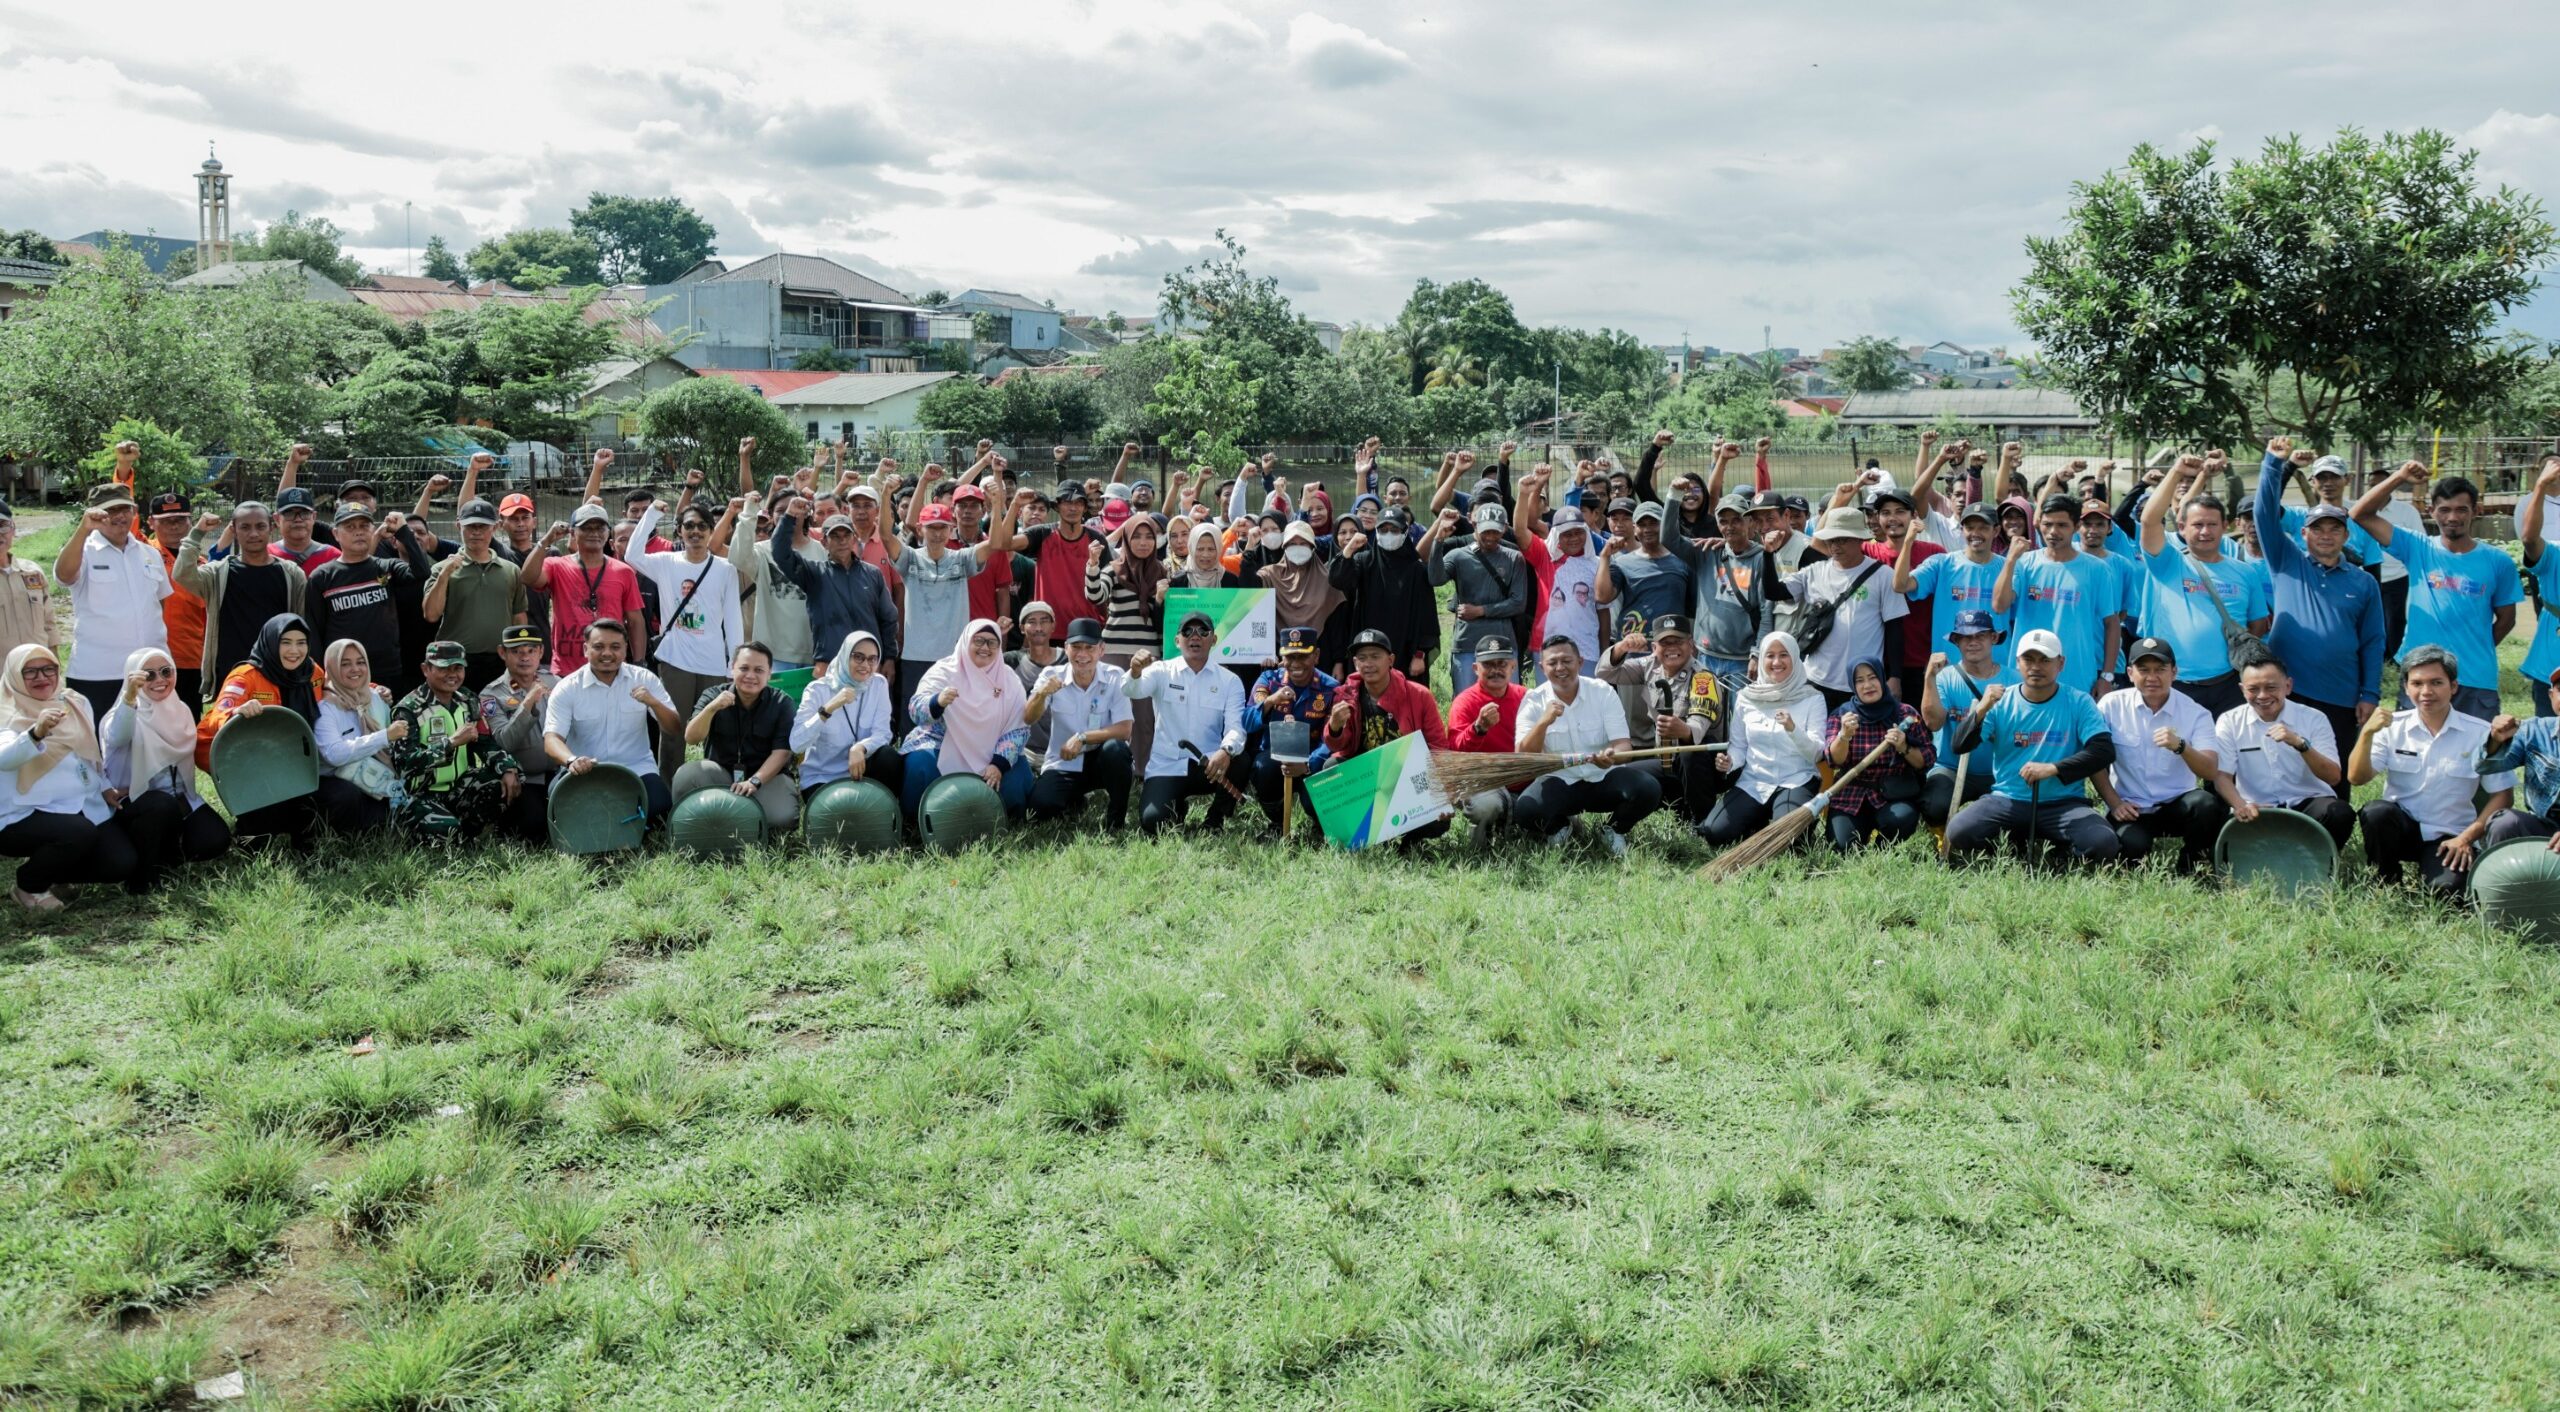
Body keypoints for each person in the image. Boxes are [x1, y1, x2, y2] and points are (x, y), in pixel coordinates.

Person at [2351, 461, 2519, 722]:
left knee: (2475, 757)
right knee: (2413, 754)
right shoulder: (2417, 547)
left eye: (2462, 509)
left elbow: (2507, 619)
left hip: (2475, 677)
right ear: (2431, 511)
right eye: (2445, 510)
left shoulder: (2499, 561)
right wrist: (2400, 476)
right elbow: (2360, 513)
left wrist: (2474, 646)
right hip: (2420, 677)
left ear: (2476, 510)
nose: (2453, 517)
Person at [2346, 645, 2512, 898]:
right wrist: (2367, 733)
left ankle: (2438, 872)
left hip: (2449, 836)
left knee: (2447, 893)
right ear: (2406, 687)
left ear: (2453, 687)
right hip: (2402, 828)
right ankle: (2385, 879)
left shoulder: (2480, 733)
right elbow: (2356, 778)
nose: (2426, 692)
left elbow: (2503, 797)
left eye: (2436, 682)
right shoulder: (2391, 727)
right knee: (2376, 812)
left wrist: (2466, 839)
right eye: (2417, 683)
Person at [1943, 629, 2120, 866]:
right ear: (2017, 663)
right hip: (2008, 799)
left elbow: (2103, 752)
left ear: (2061, 663)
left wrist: (2053, 768)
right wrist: (1981, 709)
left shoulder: (2079, 701)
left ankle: (2060, 856)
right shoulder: (2000, 703)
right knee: (1959, 831)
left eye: (2045, 660)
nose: (2036, 667)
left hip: (2064, 803)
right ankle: (2010, 848)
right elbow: (1960, 745)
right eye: (2028, 659)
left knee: (2103, 842)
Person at [2253, 439, 2384, 748]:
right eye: (2318, 529)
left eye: (2334, 529)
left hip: (2340, 694)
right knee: (2282, 773)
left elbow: (2373, 642)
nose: (2326, 535)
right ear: (2303, 533)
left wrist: (2369, 693)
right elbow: (2263, 514)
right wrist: (2274, 463)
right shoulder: (2286, 561)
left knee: (2333, 776)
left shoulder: (2363, 583)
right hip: (2287, 692)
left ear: (2346, 535)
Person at [196, 613, 372, 843]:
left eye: (301, 643)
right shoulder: (245, 676)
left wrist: (375, 689)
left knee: (344, 795)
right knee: (258, 836)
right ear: (270, 641)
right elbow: (218, 713)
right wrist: (235, 712)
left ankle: (312, 833)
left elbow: (337, 687)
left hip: (296, 767)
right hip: (250, 768)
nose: (294, 651)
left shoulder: (311, 672)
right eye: (285, 642)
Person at [0, 644, 136, 910]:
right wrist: (35, 733)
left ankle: (56, 873)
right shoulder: (6, 710)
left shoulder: (74, 701)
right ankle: (29, 885)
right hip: (23, 812)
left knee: (120, 864)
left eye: (48, 669)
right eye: (30, 672)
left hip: (79, 802)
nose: (42, 677)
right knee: (77, 832)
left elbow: (87, 750)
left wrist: (104, 785)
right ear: (15, 675)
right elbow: (5, 758)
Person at [2137, 455, 2271, 716]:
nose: (2205, 531)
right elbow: (2149, 521)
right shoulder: (2167, 563)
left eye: (2212, 524)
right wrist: (2176, 472)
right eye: (2197, 525)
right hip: (2175, 684)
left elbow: (2256, 625)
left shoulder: (2245, 572)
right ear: (2183, 528)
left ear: (2226, 526)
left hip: (2230, 683)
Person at [623, 495, 745, 779]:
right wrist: (652, 514)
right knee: (673, 730)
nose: (696, 532)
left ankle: (720, 784)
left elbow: (734, 620)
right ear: (679, 531)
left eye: (703, 526)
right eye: (689, 526)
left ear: (711, 531)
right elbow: (632, 555)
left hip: (714, 664)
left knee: (719, 730)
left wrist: (735, 665)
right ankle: (669, 790)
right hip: (676, 662)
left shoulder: (725, 569)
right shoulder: (666, 562)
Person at [1509, 635, 1656, 855]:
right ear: (1542, 667)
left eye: (1567, 661)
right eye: (1552, 663)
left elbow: (1624, 748)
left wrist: (1611, 757)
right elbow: (1524, 757)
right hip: (1561, 780)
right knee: (1526, 810)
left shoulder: (1602, 691)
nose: (1560, 668)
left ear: (1580, 661)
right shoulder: (1534, 700)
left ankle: (1614, 829)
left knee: (1648, 789)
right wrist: (1543, 722)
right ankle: (1561, 827)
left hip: (1603, 777)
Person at [100, 645, 230, 890]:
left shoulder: (180, 710)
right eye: (148, 675)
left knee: (214, 840)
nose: (159, 680)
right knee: (160, 805)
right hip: (132, 803)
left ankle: (167, 855)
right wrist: (129, 697)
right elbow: (118, 736)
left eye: (166, 672)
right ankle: (143, 876)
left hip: (178, 799)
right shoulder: (122, 714)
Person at [2091, 636, 2226, 870]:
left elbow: (2210, 770)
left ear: (2174, 672)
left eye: (2160, 669)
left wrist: (2181, 747)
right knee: (2130, 852)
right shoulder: (2110, 706)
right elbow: (2094, 760)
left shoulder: (2196, 713)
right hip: (2130, 808)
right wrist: (2114, 803)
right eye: (2144, 670)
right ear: (2130, 673)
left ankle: (2192, 863)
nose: (2152, 677)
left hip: (2177, 805)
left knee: (2206, 805)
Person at [56, 478, 173, 722]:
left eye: (124, 509)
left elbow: (158, 605)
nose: (118, 516)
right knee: (97, 749)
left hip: (149, 673)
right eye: (109, 510)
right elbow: (64, 575)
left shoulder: (149, 553)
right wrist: (83, 529)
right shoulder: (84, 550)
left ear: (133, 511)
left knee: (147, 746)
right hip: (99, 673)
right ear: (95, 515)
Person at [544, 618, 681, 826]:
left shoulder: (644, 679)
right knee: (559, 803)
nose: (607, 653)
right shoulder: (567, 687)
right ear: (585, 649)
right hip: (585, 771)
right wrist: (571, 760)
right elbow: (551, 739)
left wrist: (653, 703)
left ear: (625, 649)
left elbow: (674, 728)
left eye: (615, 647)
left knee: (660, 806)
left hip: (636, 768)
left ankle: (617, 821)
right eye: (598, 647)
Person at [2210, 654, 2356, 849]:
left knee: (2340, 813)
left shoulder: (2314, 718)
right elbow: (2222, 776)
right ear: (2242, 690)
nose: (2262, 696)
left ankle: (2319, 863)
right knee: (2216, 831)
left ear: (2288, 686)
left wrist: (2300, 744)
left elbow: (2333, 777)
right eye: (2253, 689)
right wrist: (2240, 805)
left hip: (2308, 802)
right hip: (2257, 807)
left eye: (2271, 687)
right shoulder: (2229, 721)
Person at [898, 618, 1034, 823]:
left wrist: (999, 764)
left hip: (993, 747)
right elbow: (915, 710)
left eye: (992, 642)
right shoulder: (944, 671)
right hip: (943, 741)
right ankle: (916, 823)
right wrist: (938, 702)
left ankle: (1001, 823)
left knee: (1017, 775)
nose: (985, 648)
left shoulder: (1009, 679)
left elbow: (1018, 729)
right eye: (978, 641)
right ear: (965, 641)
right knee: (921, 764)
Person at [1596, 614, 1726, 825]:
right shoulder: (1649, 666)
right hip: (1667, 759)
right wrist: (1622, 647)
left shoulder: (1703, 678)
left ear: (1691, 645)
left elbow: (1697, 730)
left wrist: (1681, 729)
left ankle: (1701, 820)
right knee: (1622, 776)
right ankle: (1669, 809)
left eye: (1678, 642)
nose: (1672, 648)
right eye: (1665, 643)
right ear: (1654, 647)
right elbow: (1604, 674)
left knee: (1689, 754)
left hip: (1706, 765)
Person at [1770, 507, 1906, 710]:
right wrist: (1767, 554)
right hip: (1816, 679)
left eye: (1842, 539)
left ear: (1860, 540)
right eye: (1831, 540)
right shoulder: (1815, 571)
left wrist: (1895, 677)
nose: (1835, 546)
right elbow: (1774, 592)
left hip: (1863, 682)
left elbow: (1895, 629)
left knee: (1860, 741)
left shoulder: (1883, 575)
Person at [1126, 610, 1248, 836]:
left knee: (1240, 758)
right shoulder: (1161, 671)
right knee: (1154, 823)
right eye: (1187, 631)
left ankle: (1215, 819)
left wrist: (1225, 751)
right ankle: (1177, 807)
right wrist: (1134, 672)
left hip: (1209, 766)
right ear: (1177, 640)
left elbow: (1235, 728)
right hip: (1167, 765)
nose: (1195, 636)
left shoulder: (1230, 680)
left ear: (1214, 640)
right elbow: (1131, 689)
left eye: (1203, 631)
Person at [386, 640, 522, 838]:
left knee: (504, 781)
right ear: (426, 669)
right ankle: (454, 831)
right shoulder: (409, 709)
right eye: (443, 668)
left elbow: (484, 742)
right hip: (421, 794)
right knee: (448, 832)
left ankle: (471, 831)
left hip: (459, 786)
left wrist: (507, 768)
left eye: (458, 667)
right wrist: (450, 743)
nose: (452, 674)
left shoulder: (467, 699)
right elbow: (405, 764)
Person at [1699, 632, 1824, 847]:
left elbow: (1817, 753)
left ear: (1794, 657)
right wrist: (1729, 762)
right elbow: (1739, 746)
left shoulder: (1812, 698)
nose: (1776, 662)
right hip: (1755, 782)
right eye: (1770, 655)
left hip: (1796, 779)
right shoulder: (1747, 697)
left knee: (1789, 840)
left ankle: (1785, 822)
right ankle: (1757, 821)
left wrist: (1793, 729)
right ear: (1762, 659)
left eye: (1784, 655)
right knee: (1714, 832)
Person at [306, 500, 433, 702]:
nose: (358, 532)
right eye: (350, 527)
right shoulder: (321, 577)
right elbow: (315, 629)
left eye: (364, 526)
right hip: (343, 672)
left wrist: (402, 531)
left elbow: (421, 573)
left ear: (373, 530)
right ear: (336, 534)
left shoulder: (385, 567)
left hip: (386, 669)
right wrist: (321, 674)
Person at [176, 503, 306, 702]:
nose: (253, 533)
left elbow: (302, 621)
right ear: (233, 530)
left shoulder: (291, 573)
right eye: (245, 527)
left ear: (271, 527)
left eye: (260, 526)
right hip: (230, 673)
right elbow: (182, 574)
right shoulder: (218, 572)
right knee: (232, 731)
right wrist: (197, 533)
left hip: (279, 672)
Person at [1996, 495, 2120, 697]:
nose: (2053, 532)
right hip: (2025, 676)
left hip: (2077, 677)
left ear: (2076, 526)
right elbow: (2000, 606)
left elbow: (2112, 624)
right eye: (2047, 524)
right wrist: (2010, 561)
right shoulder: (2024, 563)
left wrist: (2107, 676)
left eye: (2062, 525)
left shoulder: (2097, 569)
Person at [672, 641, 799, 834]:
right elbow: (691, 737)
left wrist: (754, 782)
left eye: (758, 670)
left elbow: (781, 753)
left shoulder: (782, 703)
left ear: (769, 673)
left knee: (781, 819)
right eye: (744, 668)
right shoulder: (713, 695)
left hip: (766, 779)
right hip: (721, 775)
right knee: (686, 775)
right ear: (732, 668)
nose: (750, 676)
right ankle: (696, 825)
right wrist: (712, 708)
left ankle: (742, 824)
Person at [1023, 617, 1137, 830]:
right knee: (1039, 810)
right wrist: (1042, 694)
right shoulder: (1051, 675)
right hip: (1064, 761)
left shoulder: (1114, 676)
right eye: (1076, 647)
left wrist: (1082, 737)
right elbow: (1029, 717)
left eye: (1089, 648)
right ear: (1066, 648)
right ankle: (1075, 799)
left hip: (1101, 760)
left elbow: (1124, 729)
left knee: (1116, 750)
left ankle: (1116, 819)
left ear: (1101, 650)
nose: (1082, 654)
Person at [765, 506, 901, 674]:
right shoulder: (814, 574)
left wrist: (889, 658)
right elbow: (780, 553)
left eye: (846, 535)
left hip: (869, 665)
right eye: (835, 537)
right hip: (830, 666)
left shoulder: (873, 574)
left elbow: (888, 619)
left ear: (854, 538)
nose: (842, 541)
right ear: (824, 542)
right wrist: (789, 515)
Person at [1916, 609, 2019, 827]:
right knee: (1934, 807)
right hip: (1951, 767)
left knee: (2015, 817)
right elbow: (1933, 723)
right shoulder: (1945, 678)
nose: (1973, 642)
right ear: (1956, 642)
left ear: (1993, 638)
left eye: (1980, 636)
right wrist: (1929, 677)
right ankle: (1942, 839)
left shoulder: (2014, 680)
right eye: (1965, 637)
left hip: (1999, 771)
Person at [523, 505, 649, 678]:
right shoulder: (556, 565)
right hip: (567, 670)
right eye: (587, 528)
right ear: (573, 533)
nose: (594, 533)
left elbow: (635, 621)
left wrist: (639, 663)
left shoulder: (624, 572)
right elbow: (528, 578)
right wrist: (545, 541)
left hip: (610, 668)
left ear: (608, 533)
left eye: (600, 528)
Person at [1821, 658, 1933, 850]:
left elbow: (1927, 759)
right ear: (1853, 686)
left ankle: (1882, 850)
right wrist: (1844, 736)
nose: (1867, 685)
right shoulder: (1842, 716)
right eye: (1860, 681)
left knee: (1902, 819)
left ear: (1882, 679)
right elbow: (1833, 760)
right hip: (1851, 794)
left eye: (1872, 678)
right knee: (1840, 847)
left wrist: (1904, 747)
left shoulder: (1905, 714)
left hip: (1893, 793)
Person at [423, 498, 530, 693]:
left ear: (495, 527)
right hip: (455, 662)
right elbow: (431, 614)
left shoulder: (511, 570)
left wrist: (519, 657)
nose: (476, 532)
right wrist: (446, 574)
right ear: (458, 526)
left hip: (500, 660)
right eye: (470, 526)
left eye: (483, 526)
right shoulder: (441, 569)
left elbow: (519, 618)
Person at [1329, 508, 1441, 685]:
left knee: (1405, 704)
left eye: (1394, 530)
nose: (1388, 534)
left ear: (1405, 533)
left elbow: (1427, 617)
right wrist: (1350, 548)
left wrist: (1420, 655)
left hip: (1405, 651)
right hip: (1367, 650)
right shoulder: (1364, 562)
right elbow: (1337, 579)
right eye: (1383, 530)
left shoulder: (1417, 570)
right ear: (1375, 533)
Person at [1896, 501, 2005, 682]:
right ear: (1962, 530)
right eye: (1969, 527)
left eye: (1983, 528)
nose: (1975, 534)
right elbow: (1900, 585)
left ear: (1996, 531)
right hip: (1948, 671)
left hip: (1996, 671)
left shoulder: (2009, 568)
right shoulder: (1941, 563)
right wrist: (1908, 542)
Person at [1242, 625, 1335, 832]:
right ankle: (1277, 822)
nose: (1295, 664)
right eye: (1289, 657)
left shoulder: (1331, 688)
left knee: (1315, 798)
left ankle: (1320, 825)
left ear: (1316, 655)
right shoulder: (1269, 680)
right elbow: (1246, 722)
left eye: (1302, 657)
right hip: (1276, 758)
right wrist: (1270, 701)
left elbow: (1331, 739)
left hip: (1313, 760)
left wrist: (1308, 764)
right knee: (1261, 769)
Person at [1430, 503, 1531, 693]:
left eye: (1496, 532)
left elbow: (1518, 603)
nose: (1490, 537)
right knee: (1465, 701)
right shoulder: (1458, 556)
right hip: (1467, 643)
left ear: (1505, 528)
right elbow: (1436, 579)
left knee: (1509, 703)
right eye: (1486, 531)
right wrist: (1438, 540)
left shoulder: (1514, 558)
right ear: (1475, 525)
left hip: (1504, 643)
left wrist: (1480, 611)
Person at [793, 630, 901, 802]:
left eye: (873, 659)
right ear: (845, 655)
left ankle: (889, 812)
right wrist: (828, 708)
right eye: (858, 657)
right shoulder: (817, 690)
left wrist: (860, 748)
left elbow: (883, 733)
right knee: (841, 816)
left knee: (888, 757)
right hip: (823, 777)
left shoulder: (877, 684)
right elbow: (796, 744)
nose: (866, 665)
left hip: (861, 771)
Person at [477, 624, 557, 842]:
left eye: (531, 651)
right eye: (517, 651)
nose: (525, 658)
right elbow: (505, 741)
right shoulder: (491, 695)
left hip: (560, 773)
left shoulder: (556, 683)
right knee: (534, 824)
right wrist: (529, 701)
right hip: (525, 778)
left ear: (541, 652)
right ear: (502, 653)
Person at [313, 639, 400, 833]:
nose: (355, 669)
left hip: (374, 777)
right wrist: (383, 736)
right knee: (347, 797)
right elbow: (334, 755)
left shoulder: (376, 697)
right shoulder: (325, 709)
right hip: (337, 782)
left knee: (389, 822)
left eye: (360, 662)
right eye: (345, 664)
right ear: (332, 667)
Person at [1446, 634, 1530, 830]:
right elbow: (1455, 752)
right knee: (1485, 808)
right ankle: (1486, 832)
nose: (1496, 670)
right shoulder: (1464, 702)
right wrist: (1478, 728)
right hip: (1484, 781)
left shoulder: (1526, 696)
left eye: (1502, 664)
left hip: (1525, 779)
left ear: (1513, 666)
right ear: (1476, 668)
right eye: (1488, 665)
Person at [2478, 675, 2560, 850]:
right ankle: (2504, 876)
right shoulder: (2534, 731)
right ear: (2551, 695)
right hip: (2545, 830)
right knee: (2505, 824)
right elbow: (2484, 767)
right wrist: (2495, 741)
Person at [144, 491, 208, 709]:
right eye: (166, 521)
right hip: (150, 657)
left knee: (188, 723)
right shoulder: (142, 552)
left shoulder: (200, 564)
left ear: (190, 522)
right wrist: (124, 468)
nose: (174, 526)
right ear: (151, 522)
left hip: (190, 659)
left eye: (180, 520)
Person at [0, 499, 50, 663]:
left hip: (37, 675)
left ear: (13, 529)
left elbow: (49, 624)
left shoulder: (32, 572)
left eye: (3, 525)